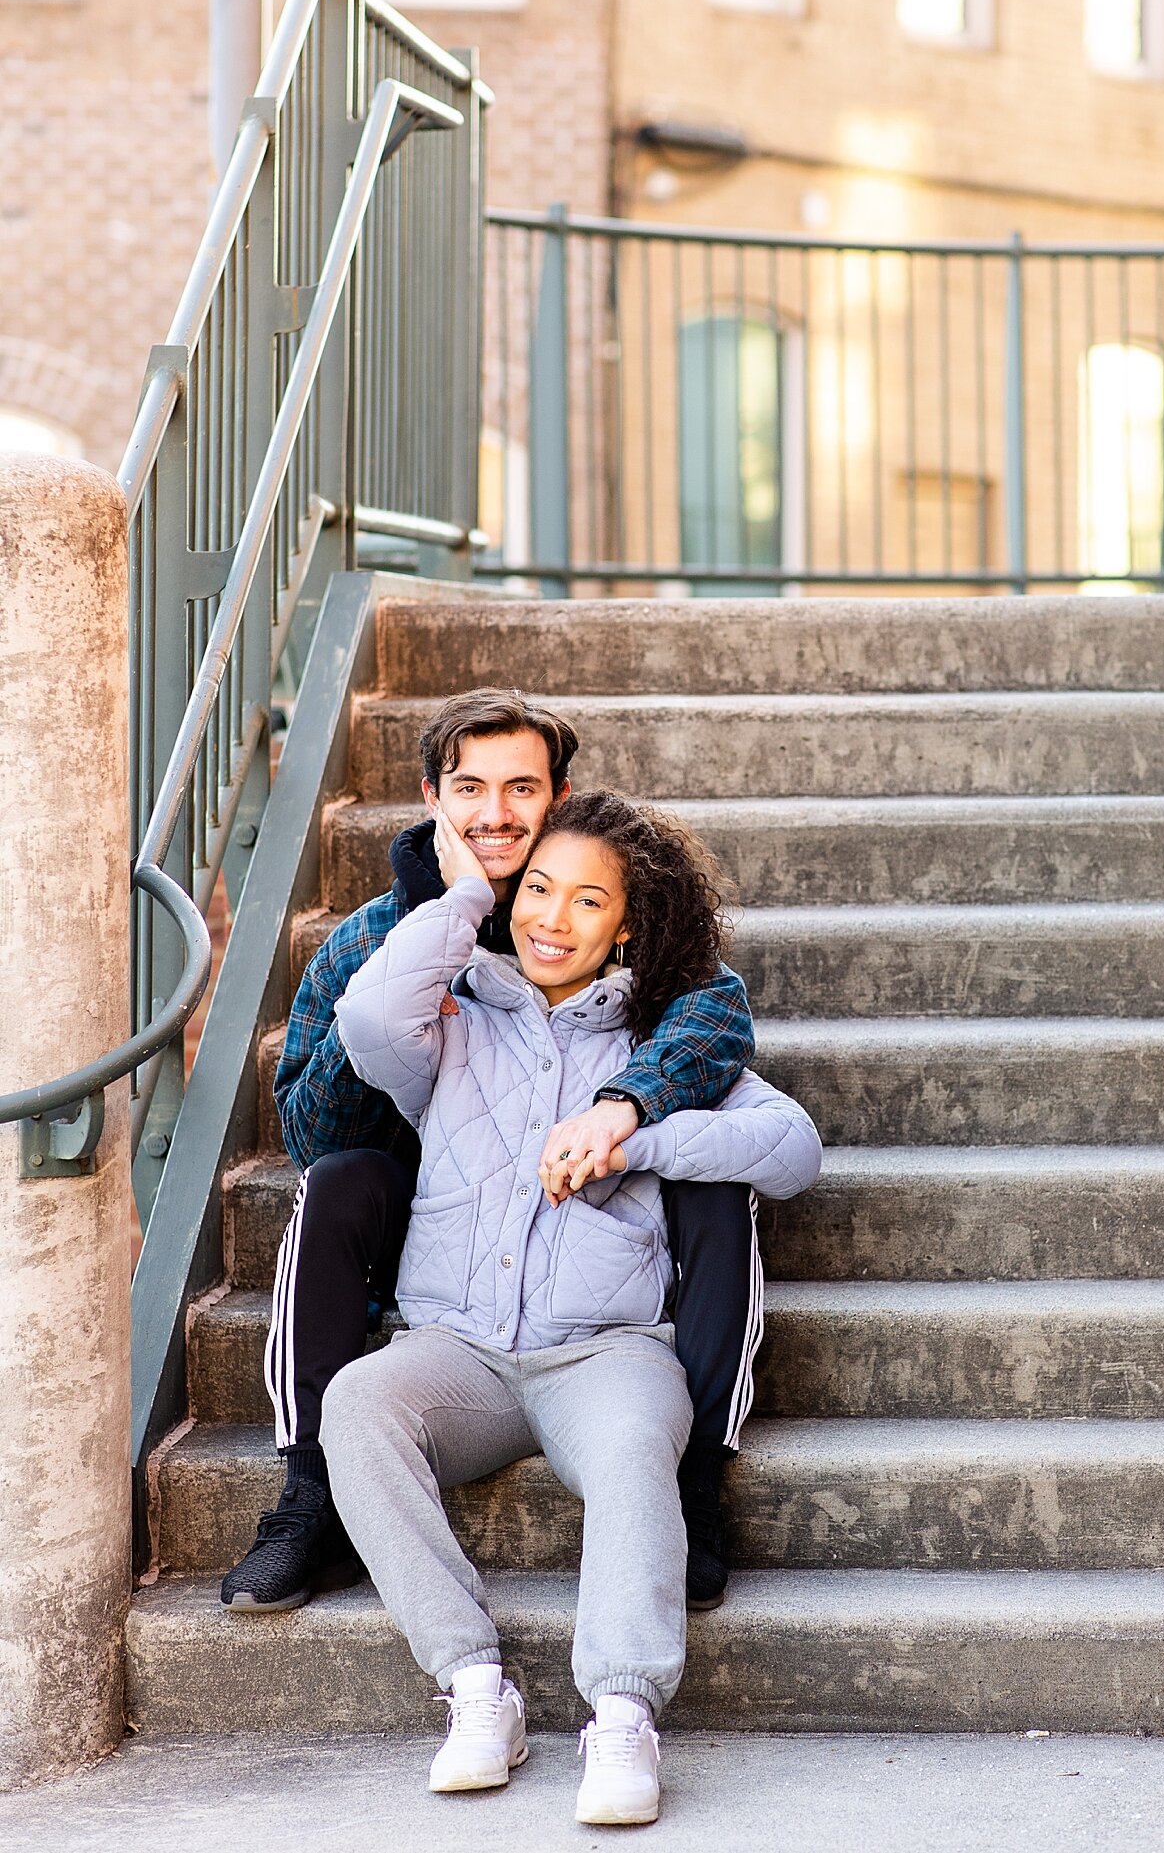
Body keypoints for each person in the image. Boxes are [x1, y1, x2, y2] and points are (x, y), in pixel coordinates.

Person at [321, 790, 821, 1825]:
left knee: (642, 1437)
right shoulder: (452, 1017)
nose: (553, 916)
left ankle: (625, 1713)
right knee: (357, 1404)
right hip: (456, 1349)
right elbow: (364, 1021)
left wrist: (629, 1133)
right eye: (537, 888)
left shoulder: (666, 1044)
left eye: (587, 900)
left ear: (626, 923)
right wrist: (467, 889)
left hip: (605, 1352)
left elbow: (791, 1149)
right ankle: (473, 1688)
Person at [221, 690, 762, 1617]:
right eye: (470, 786)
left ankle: (695, 1484)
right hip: (433, 1221)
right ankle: (313, 1493)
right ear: (433, 797)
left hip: (584, 1217)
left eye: (523, 787)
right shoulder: (365, 938)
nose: (496, 813)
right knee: (334, 1183)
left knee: (719, 1191)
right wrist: (407, 993)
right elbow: (310, 1132)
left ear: (558, 798)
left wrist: (624, 1106)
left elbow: (717, 1013)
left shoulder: (610, 908)